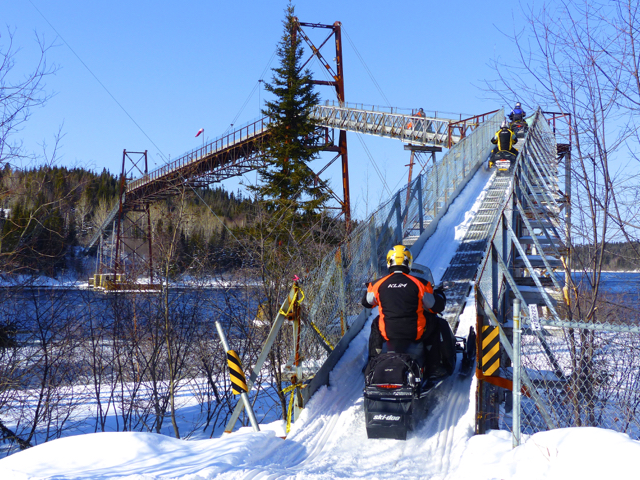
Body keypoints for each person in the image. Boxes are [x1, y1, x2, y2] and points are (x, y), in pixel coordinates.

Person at [361, 245, 455, 377]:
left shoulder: (378, 284)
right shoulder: (419, 283)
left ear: (389, 262)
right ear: (408, 262)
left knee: (376, 322)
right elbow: (434, 306)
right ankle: (434, 366)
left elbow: (366, 302)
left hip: (388, 333)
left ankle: (372, 363)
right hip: (414, 333)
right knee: (437, 322)